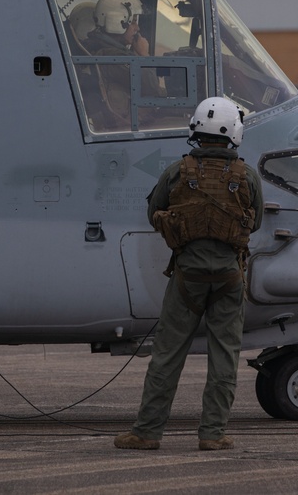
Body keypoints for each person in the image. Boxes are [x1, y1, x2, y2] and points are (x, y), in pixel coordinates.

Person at [114, 96, 263, 451]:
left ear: (196, 128)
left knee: (167, 354)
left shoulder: (177, 172)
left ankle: (147, 432)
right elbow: (254, 222)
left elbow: (154, 212)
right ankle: (212, 434)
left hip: (187, 278)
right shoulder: (246, 176)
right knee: (224, 355)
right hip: (229, 277)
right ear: (234, 133)